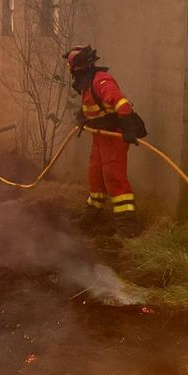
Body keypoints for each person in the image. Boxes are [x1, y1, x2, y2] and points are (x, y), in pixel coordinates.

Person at [64, 44, 147, 236]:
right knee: (95, 174)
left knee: (113, 176)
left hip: (115, 136)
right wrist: (83, 117)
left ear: (79, 67)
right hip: (101, 136)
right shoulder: (87, 83)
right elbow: (93, 106)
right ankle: (94, 213)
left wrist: (127, 129)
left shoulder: (101, 81)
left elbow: (122, 104)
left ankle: (126, 226)